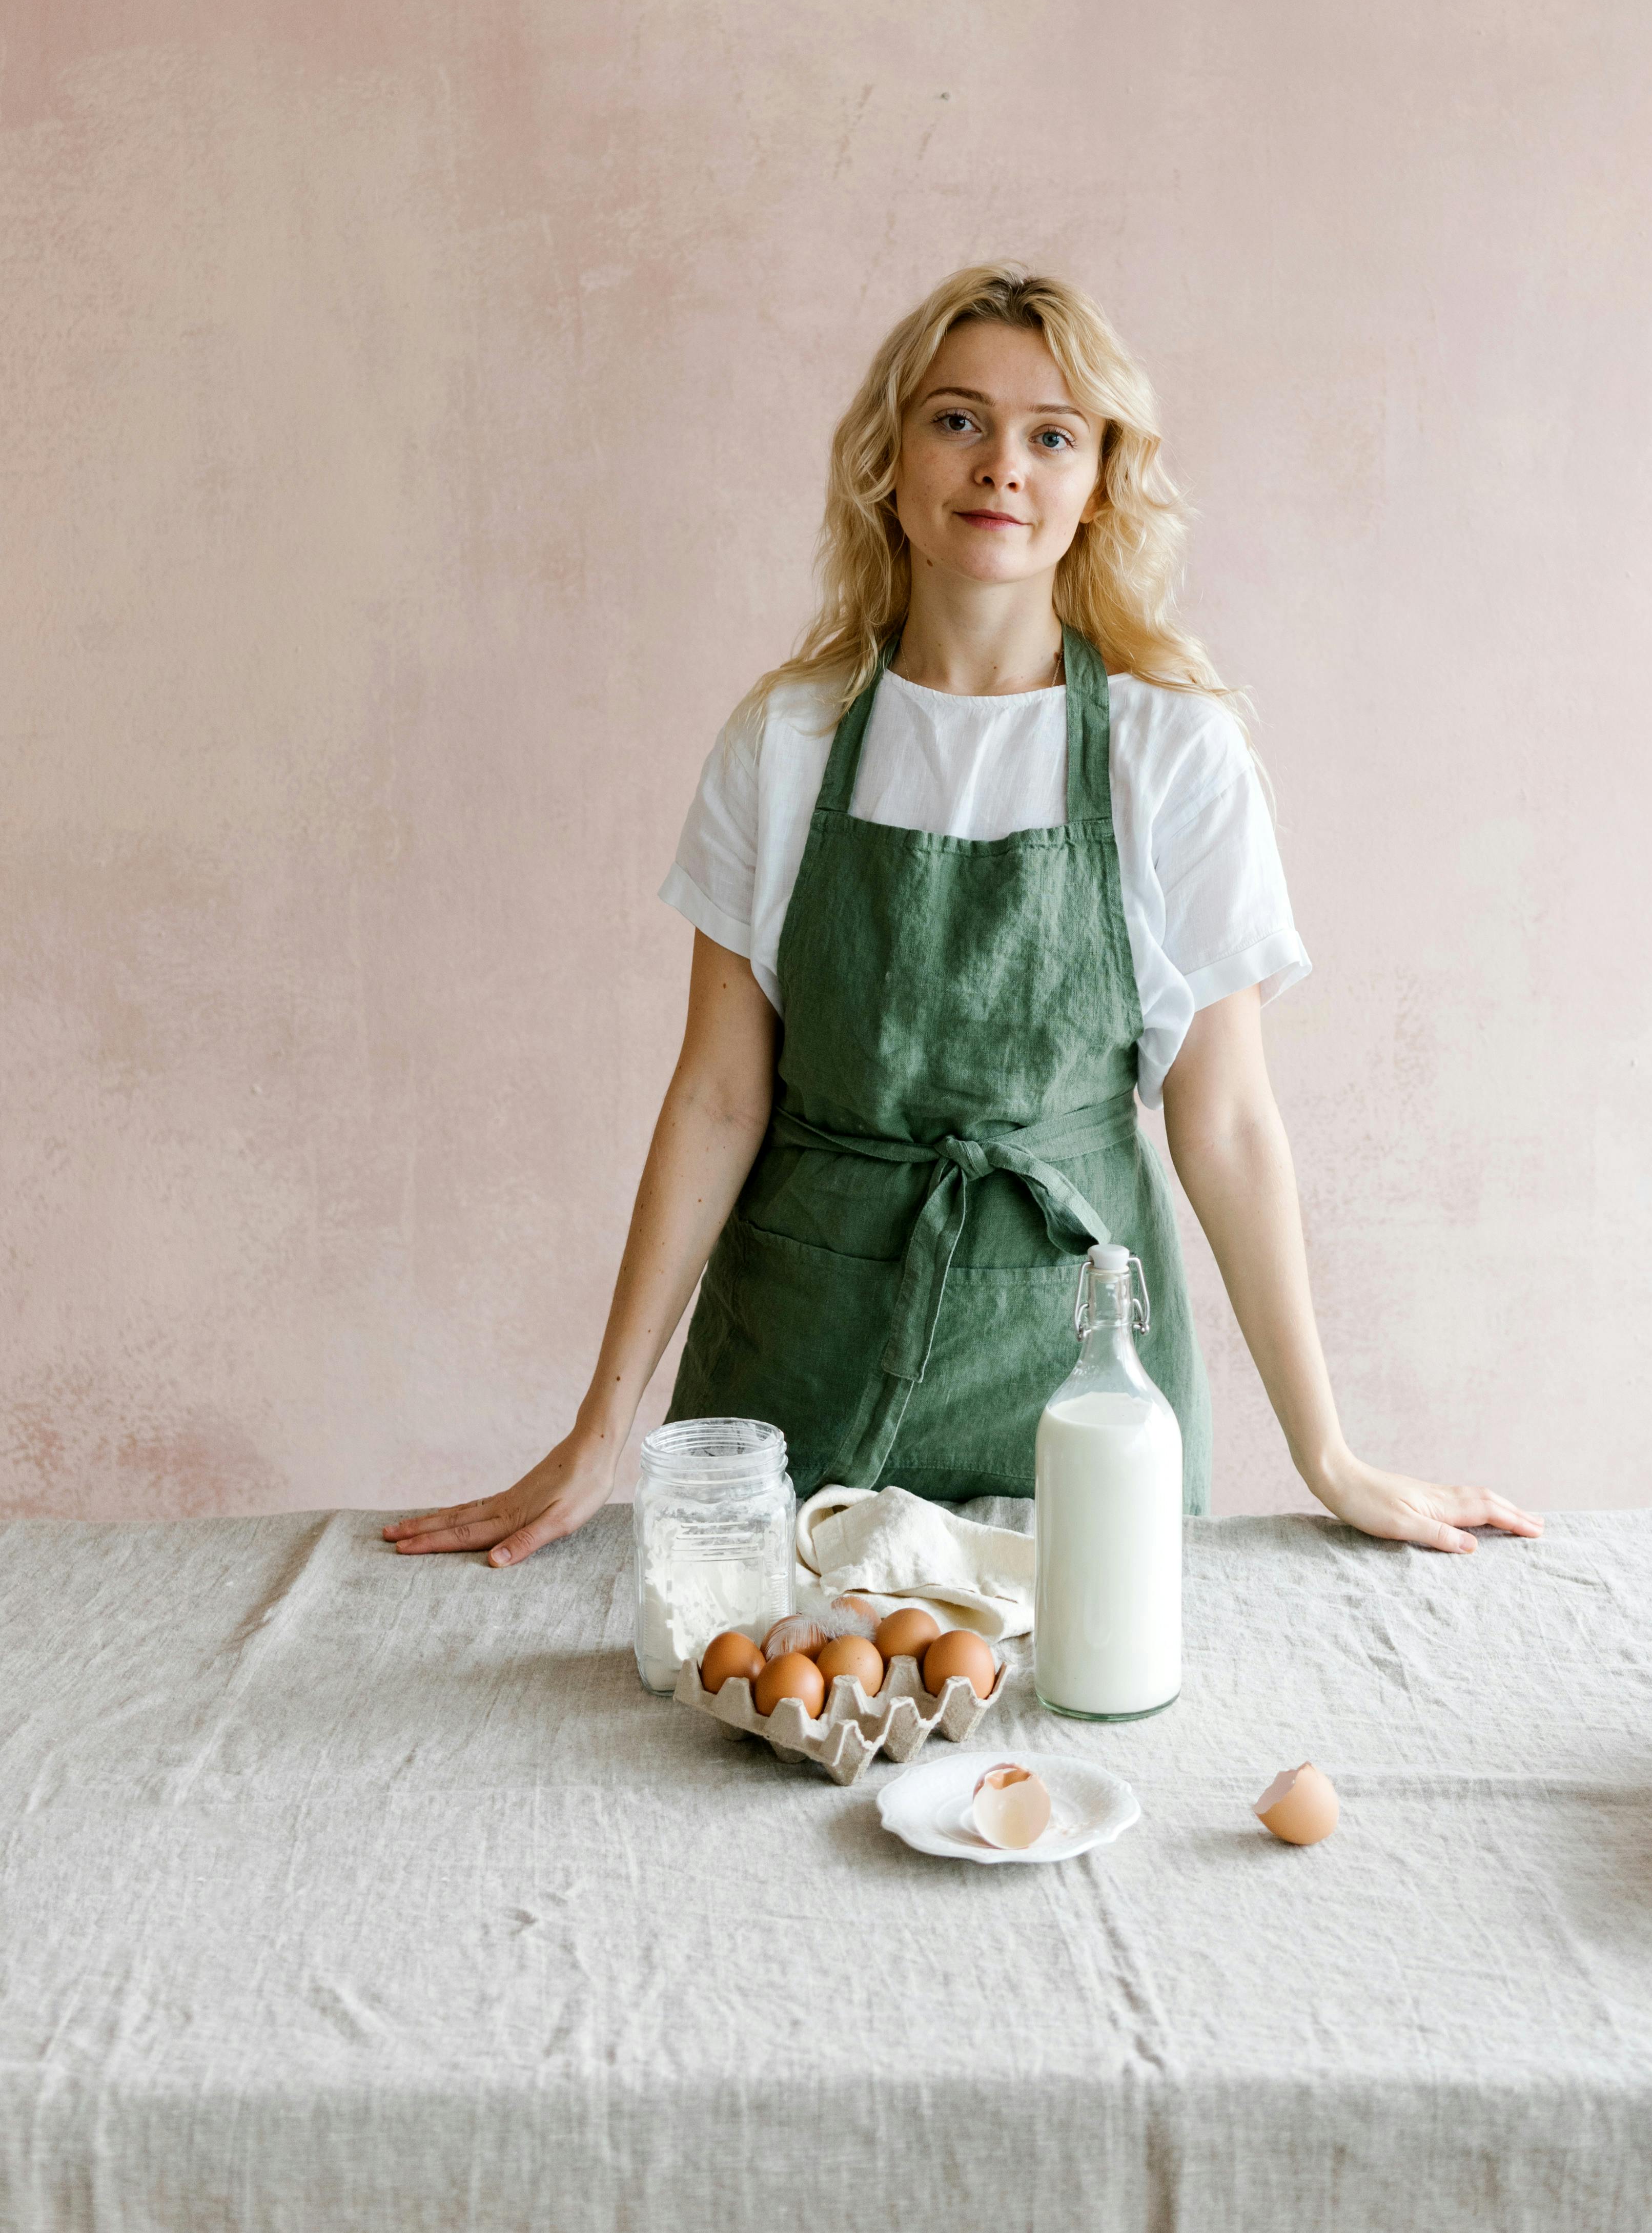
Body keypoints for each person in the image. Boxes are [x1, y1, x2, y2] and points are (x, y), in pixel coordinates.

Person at [384, 265, 1541, 1568]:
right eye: (958, 419)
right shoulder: (789, 740)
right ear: (889, 457)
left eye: (1054, 433)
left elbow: (1223, 1118)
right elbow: (717, 1095)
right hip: (799, 1364)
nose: (1003, 464)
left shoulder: (1173, 753)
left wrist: (1328, 1452)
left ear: (1100, 479)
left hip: (1077, 1383)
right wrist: (600, 1434)